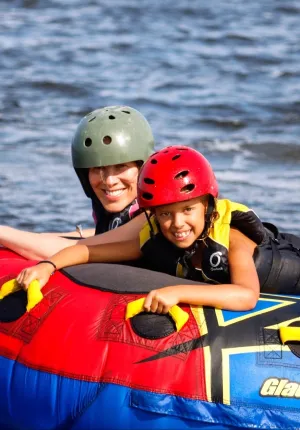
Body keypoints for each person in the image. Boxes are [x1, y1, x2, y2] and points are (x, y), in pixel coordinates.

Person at [13, 145, 300, 312]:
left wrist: (177, 292)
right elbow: (88, 252)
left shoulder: (233, 238)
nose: (177, 225)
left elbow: (245, 296)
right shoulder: (154, 240)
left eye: (188, 210)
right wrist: (47, 266)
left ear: (208, 207)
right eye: (165, 215)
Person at [0, 106, 155, 259]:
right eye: (97, 168)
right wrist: (39, 237)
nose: (109, 180)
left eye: (121, 166)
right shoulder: (121, 213)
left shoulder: (154, 217)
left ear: (144, 168)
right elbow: (103, 235)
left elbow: (70, 251)